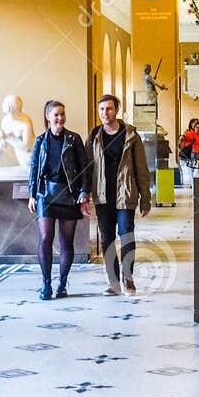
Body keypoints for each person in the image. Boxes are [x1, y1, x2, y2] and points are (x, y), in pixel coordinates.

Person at [87, 94, 151, 296]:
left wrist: (145, 197)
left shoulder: (131, 135)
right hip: (103, 195)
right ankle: (113, 282)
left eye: (109, 109)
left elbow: (141, 168)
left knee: (127, 236)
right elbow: (88, 167)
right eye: (102, 110)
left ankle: (128, 278)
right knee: (106, 239)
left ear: (117, 110)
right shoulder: (95, 136)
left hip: (126, 194)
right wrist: (85, 194)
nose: (105, 113)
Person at [27, 100, 90, 299]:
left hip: (69, 194)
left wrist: (84, 192)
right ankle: (46, 283)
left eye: (62, 114)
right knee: (45, 238)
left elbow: (84, 168)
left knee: (66, 241)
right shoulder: (40, 141)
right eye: (56, 114)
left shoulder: (74, 139)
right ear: (48, 117)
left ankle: (62, 283)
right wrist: (32, 194)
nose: (60, 118)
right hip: (45, 195)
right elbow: (34, 169)